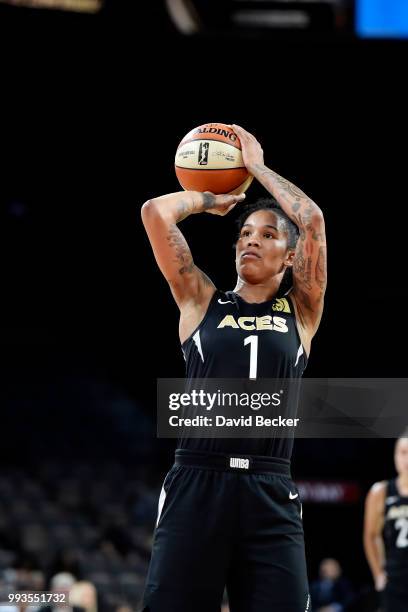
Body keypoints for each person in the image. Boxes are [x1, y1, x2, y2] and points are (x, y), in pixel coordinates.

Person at [140, 124, 327, 611]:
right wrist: (209, 199)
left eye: (266, 235)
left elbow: (312, 220)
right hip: (197, 483)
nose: (250, 241)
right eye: (244, 233)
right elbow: (155, 212)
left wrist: (257, 168)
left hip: (269, 487)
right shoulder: (201, 301)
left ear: (290, 258)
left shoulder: (302, 311)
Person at [364, 433, 408, 611]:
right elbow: (371, 535)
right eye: (403, 452)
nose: (407, 459)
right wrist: (378, 574)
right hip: (395, 578)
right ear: (395, 456)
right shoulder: (381, 491)